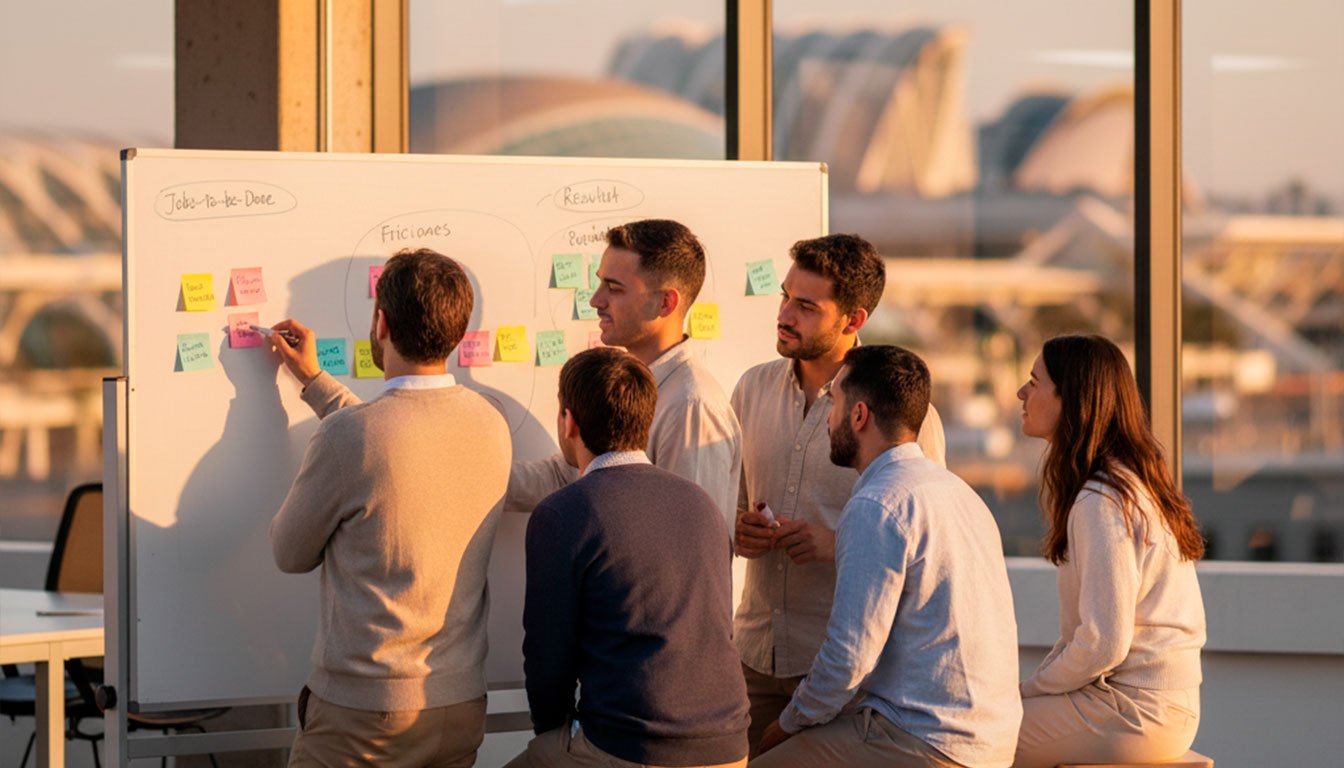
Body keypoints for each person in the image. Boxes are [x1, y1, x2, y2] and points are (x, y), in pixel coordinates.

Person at [267, 248, 510, 768]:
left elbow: (288, 552)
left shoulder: (350, 438)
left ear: (381, 322)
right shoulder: (491, 423)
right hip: (458, 707)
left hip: (365, 717)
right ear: (458, 329)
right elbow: (400, 442)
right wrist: (316, 384)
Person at [752, 345, 1021, 768]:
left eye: (835, 403)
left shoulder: (878, 504)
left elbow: (848, 657)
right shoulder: (956, 491)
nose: (828, 418)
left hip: (925, 740)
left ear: (859, 416)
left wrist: (785, 725)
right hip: (989, 739)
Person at [730, 233, 948, 755]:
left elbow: (927, 545)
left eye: (806, 306)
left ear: (853, 320)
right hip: (754, 655)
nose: (785, 314)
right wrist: (740, 527)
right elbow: (731, 504)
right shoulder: (750, 389)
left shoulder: (907, 417)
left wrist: (835, 543)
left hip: (847, 675)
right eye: (785, 297)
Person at [506, 347, 750, 768]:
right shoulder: (700, 502)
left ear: (569, 422)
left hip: (635, 745)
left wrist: (554, 732)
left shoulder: (565, 512)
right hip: (728, 742)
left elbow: (548, 656)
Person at [1011, 334, 1206, 768]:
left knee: (969, 735)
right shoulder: (1123, 483)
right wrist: (1034, 687)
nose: (1021, 393)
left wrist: (1029, 690)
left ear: (1071, 399)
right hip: (1150, 705)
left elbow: (1103, 642)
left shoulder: (1102, 499)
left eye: (1034, 381)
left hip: (1139, 711)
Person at [506, 219, 742, 532]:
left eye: (614, 288)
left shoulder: (690, 406)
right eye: (600, 282)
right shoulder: (622, 384)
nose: (595, 300)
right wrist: (453, 475)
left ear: (665, 302)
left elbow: (689, 541)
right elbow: (568, 474)